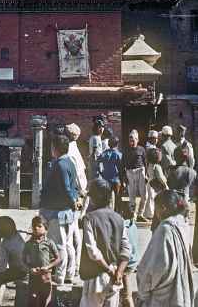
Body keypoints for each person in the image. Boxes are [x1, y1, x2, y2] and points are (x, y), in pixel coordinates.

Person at [137, 189, 195, 307]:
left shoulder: (165, 229)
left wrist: (142, 293)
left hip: (164, 299)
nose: (155, 213)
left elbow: (154, 268)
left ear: (163, 208)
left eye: (156, 208)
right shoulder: (183, 225)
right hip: (180, 295)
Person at [79, 178, 130, 307]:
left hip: (96, 277)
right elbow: (126, 249)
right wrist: (118, 272)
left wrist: (108, 270)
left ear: (95, 198)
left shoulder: (89, 218)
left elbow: (93, 252)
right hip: (114, 277)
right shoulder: (119, 218)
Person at [40, 133, 80, 285]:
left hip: (58, 211)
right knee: (68, 243)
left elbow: (66, 188)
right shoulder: (70, 161)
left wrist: (72, 202)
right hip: (66, 212)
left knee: (59, 244)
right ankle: (70, 273)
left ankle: (60, 277)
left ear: (55, 148)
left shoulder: (60, 165)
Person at [0, 216, 26, 307]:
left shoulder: (5, 244)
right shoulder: (17, 236)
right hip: (24, 269)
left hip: (20, 271)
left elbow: (0, 268)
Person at [22, 215, 60, 307]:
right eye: (34, 226)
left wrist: (48, 267)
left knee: (45, 300)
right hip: (33, 276)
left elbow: (58, 258)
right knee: (32, 299)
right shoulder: (28, 244)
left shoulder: (49, 243)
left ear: (46, 229)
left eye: (39, 226)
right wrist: (30, 269)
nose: (36, 228)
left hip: (46, 276)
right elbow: (23, 260)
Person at [66, 123, 88, 278]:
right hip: (77, 193)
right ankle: (75, 266)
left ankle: (71, 269)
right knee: (73, 233)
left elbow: (78, 175)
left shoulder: (69, 151)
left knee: (70, 234)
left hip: (73, 194)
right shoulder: (75, 149)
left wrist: (81, 192)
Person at [123, 130, 147, 222]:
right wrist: (124, 177)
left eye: (133, 140)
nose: (132, 142)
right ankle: (133, 214)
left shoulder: (142, 149)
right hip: (130, 173)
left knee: (144, 195)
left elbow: (145, 162)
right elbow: (122, 164)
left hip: (141, 171)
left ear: (137, 140)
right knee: (131, 196)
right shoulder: (126, 150)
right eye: (130, 140)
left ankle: (140, 214)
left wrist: (146, 175)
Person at [120, 203, 138, 307]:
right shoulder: (133, 224)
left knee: (126, 294)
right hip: (134, 260)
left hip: (127, 262)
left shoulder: (123, 226)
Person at [97, 136, 122, 211]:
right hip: (116, 179)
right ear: (117, 144)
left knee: (106, 198)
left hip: (106, 179)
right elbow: (121, 168)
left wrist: (101, 173)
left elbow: (97, 163)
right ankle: (117, 213)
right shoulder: (119, 154)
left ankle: (106, 212)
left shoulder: (104, 153)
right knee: (117, 197)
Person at [144, 147, 168, 221]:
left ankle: (148, 213)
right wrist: (165, 184)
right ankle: (152, 214)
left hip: (150, 183)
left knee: (150, 199)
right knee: (155, 199)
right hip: (156, 185)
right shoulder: (157, 166)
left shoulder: (149, 165)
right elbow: (160, 177)